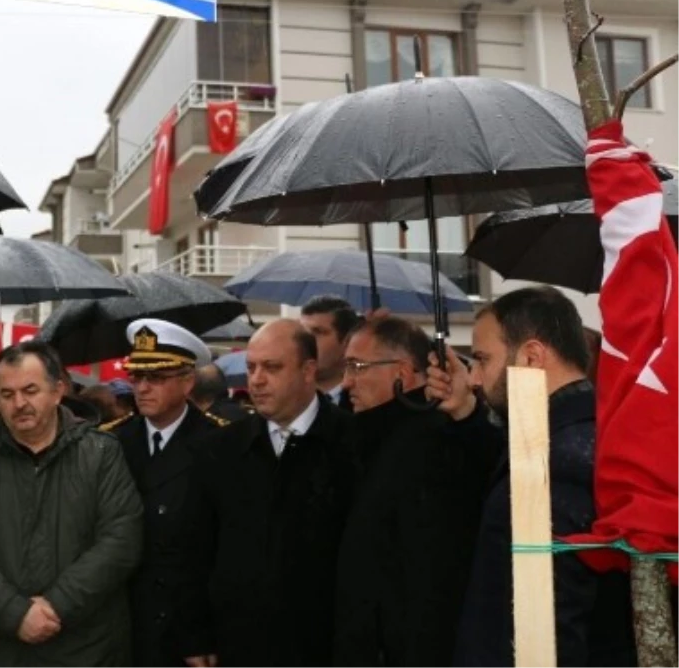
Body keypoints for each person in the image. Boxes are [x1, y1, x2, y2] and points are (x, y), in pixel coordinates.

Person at [426, 286, 637, 667]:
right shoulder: (568, 437)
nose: (474, 378)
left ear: (532, 356)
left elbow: (556, 627)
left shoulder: (560, 461)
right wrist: (464, 413)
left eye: (481, 359)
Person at [0, 340, 143, 668]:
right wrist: (15, 613)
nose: (19, 403)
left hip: (87, 648)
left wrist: (55, 606)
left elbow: (121, 541)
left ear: (58, 390)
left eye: (30, 390)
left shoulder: (101, 453)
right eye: (6, 394)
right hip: (2, 649)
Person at [176, 320, 355, 668]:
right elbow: (194, 550)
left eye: (272, 367)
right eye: (251, 367)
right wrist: (195, 634)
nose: (256, 380)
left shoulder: (353, 444)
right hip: (240, 646)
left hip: (328, 645)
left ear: (308, 370)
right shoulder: (219, 450)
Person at [333, 317, 494, 667]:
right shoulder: (362, 440)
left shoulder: (443, 439)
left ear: (402, 374)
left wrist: (466, 414)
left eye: (357, 367)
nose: (346, 382)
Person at [106, 319, 226, 668]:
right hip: (126, 622)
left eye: (155, 378)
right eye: (137, 377)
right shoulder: (110, 441)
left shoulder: (220, 443)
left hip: (187, 629)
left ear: (188, 382)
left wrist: (204, 630)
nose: (142, 388)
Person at [300, 296, 360, 410]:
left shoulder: (367, 403)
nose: (306, 340)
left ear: (347, 341)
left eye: (318, 332)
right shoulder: (282, 400)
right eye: (302, 333)